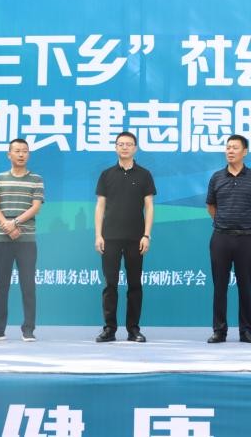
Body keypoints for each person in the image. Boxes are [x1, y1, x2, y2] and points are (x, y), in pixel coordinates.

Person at [94, 131, 156, 343]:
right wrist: (98, 235)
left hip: (136, 238)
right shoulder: (106, 174)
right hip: (109, 237)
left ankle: (133, 330)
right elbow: (100, 206)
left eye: (129, 144)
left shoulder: (144, 174)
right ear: (116, 147)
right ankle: (109, 329)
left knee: (134, 285)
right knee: (110, 285)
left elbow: (149, 206)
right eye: (121, 144)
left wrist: (146, 235)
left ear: (135, 148)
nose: (125, 147)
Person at [205, 134, 251, 344]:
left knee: (245, 286)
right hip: (220, 238)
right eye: (228, 147)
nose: (230, 151)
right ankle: (219, 331)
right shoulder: (216, 177)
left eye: (235, 147)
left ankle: (246, 331)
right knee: (219, 286)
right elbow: (211, 206)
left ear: (244, 152)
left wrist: (247, 221)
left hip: (246, 239)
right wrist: (224, 222)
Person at [0, 138, 43, 342]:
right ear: (9, 154)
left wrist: (14, 222)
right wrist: (6, 225)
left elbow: (36, 207)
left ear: (29, 154)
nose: (21, 154)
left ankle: (28, 329)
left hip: (27, 240)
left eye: (25, 151)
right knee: (1, 286)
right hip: (2, 239)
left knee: (28, 286)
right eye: (17, 151)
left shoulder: (36, 179)